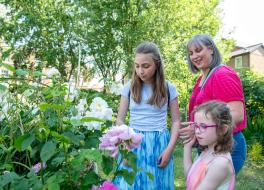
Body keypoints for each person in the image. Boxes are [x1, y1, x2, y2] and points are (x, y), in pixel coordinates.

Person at [113, 42, 181, 189]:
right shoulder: (129, 87)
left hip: (159, 143)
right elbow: (119, 119)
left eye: (145, 66)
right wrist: (125, 147)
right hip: (132, 143)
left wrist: (169, 150)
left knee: (156, 184)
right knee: (130, 184)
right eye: (137, 66)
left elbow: (176, 121)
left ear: (157, 64)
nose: (140, 71)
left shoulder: (169, 88)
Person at [180, 34, 247, 174]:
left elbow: (237, 114)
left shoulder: (222, 74)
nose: (194, 56)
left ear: (211, 49)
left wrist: (199, 128)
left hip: (227, 146)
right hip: (209, 147)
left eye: (198, 50)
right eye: (191, 53)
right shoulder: (201, 79)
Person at [184, 101, 235, 190]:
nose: (197, 131)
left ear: (223, 129)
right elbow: (190, 177)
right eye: (196, 125)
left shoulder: (220, 163)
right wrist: (187, 147)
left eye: (203, 126)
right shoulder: (207, 151)